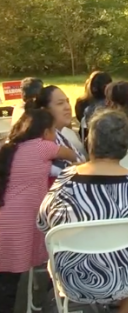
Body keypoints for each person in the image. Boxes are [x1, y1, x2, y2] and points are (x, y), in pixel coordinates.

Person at [38, 110, 128, 313]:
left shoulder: (65, 181)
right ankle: (125, 309)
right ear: (125, 146)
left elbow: (43, 224)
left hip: (74, 283)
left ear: (89, 142)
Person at [0, 110, 78, 312]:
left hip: (5, 216)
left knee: (7, 278)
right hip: (21, 221)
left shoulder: (9, 148)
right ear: (45, 132)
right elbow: (72, 155)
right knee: (11, 279)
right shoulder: (44, 147)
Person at [28, 86, 87, 178]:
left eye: (67, 101)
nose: (67, 107)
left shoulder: (63, 133)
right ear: (44, 110)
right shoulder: (42, 139)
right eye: (60, 103)